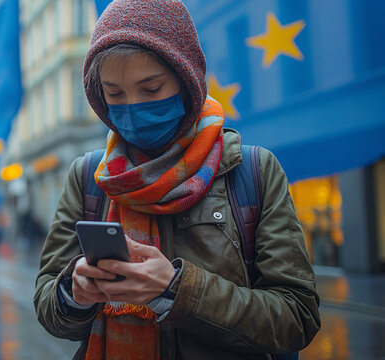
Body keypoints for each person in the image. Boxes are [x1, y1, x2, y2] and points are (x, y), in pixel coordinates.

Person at [34, 1, 320, 359]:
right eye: (115, 94)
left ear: (186, 83)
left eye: (151, 90)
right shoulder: (88, 177)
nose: (133, 107)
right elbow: (49, 306)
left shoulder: (253, 171)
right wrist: (73, 293)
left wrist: (176, 290)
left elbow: (297, 317)